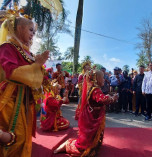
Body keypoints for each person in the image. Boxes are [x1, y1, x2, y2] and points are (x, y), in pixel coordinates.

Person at [0, 13, 49, 156]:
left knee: (21, 138)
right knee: (15, 138)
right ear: (20, 28)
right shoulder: (7, 47)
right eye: (30, 30)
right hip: (10, 99)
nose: (33, 34)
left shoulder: (27, 52)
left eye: (34, 31)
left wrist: (40, 71)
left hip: (24, 101)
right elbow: (12, 72)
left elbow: (35, 76)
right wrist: (36, 66)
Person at [54, 70, 118, 156]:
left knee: (91, 139)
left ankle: (92, 146)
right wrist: (113, 98)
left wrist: (110, 96)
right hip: (90, 119)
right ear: (96, 79)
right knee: (83, 148)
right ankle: (67, 145)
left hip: (92, 116)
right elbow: (103, 99)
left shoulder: (96, 89)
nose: (104, 80)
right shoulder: (95, 90)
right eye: (102, 78)